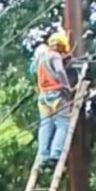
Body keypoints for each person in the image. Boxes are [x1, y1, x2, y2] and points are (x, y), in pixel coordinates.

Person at [31, 32, 72, 170]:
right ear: (60, 46)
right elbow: (60, 71)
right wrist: (66, 86)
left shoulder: (40, 58)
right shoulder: (54, 56)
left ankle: (43, 156)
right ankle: (55, 154)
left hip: (43, 97)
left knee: (45, 125)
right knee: (63, 124)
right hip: (57, 94)